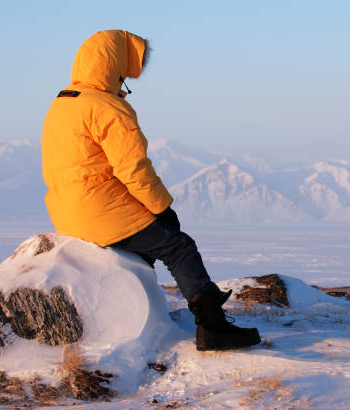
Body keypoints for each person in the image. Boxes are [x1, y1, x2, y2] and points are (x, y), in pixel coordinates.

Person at [41, 29, 260, 351]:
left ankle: (136, 312)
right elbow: (133, 169)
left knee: (143, 248)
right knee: (178, 246)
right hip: (99, 209)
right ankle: (213, 328)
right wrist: (161, 207)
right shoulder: (108, 108)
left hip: (67, 210)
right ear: (114, 62)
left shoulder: (63, 102)